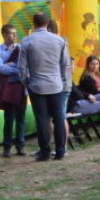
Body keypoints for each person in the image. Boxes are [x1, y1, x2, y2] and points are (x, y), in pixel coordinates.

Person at [18, 11, 70, 161]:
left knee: (41, 119)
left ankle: (45, 151)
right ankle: (60, 150)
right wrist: (63, 81)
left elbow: (22, 68)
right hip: (56, 85)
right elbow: (65, 64)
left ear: (33, 24)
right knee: (59, 118)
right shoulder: (59, 41)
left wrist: (26, 82)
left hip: (37, 85)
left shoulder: (27, 42)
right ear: (48, 23)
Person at [0, 24, 27, 157]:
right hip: (8, 89)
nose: (14, 35)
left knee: (21, 118)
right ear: (4, 35)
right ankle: (7, 147)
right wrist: (17, 69)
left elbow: (25, 67)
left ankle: (21, 146)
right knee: (9, 119)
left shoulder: (20, 48)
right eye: (12, 33)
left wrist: (11, 67)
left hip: (21, 88)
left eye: (15, 33)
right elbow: (0, 68)